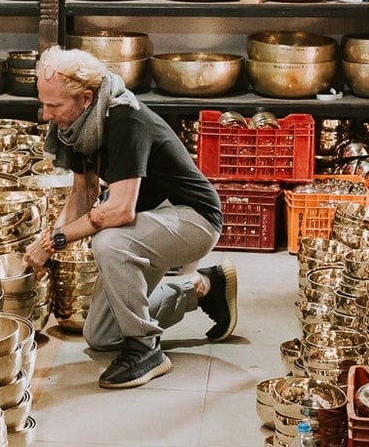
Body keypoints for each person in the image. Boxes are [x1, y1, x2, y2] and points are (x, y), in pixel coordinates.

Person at [24, 46, 237, 388]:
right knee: (101, 336)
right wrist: (46, 244)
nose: (46, 115)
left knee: (110, 241)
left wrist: (57, 240)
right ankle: (202, 287)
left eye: (54, 106)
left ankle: (146, 347)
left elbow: (119, 210)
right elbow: (82, 195)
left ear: (86, 98)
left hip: (193, 218)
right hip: (149, 223)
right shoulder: (78, 127)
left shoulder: (125, 119)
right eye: (43, 103)